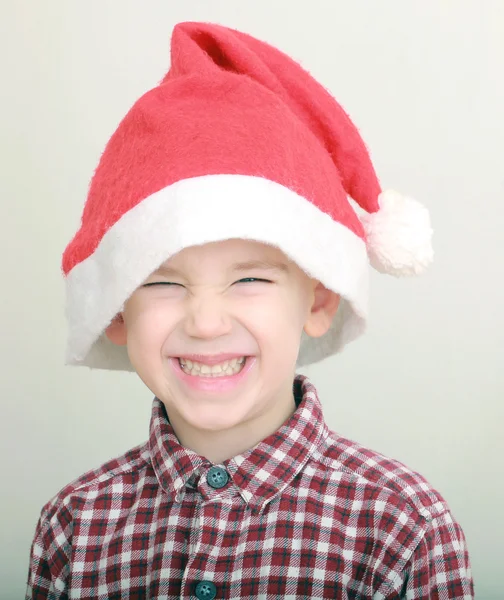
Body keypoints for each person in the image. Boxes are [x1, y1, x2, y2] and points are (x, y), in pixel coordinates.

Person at [25, 21, 474, 599]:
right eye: (163, 284)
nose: (206, 322)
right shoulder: (74, 527)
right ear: (115, 313)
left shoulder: (401, 528)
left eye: (251, 278)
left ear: (317, 299)